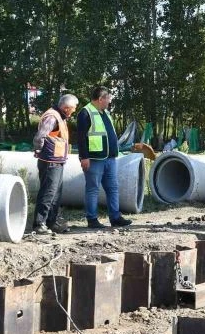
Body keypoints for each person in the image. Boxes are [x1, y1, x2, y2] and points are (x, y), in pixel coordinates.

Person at [76, 85, 132, 229]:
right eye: (108, 98)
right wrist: (84, 157)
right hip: (94, 159)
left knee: (113, 188)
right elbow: (81, 137)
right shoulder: (85, 113)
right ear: (100, 99)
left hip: (110, 158)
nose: (109, 101)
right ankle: (92, 219)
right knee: (92, 189)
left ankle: (115, 217)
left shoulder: (105, 113)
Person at [31, 94, 78, 235]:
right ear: (67, 107)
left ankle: (52, 222)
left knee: (56, 193)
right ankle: (39, 224)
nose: (74, 111)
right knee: (48, 192)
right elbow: (40, 136)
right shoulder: (52, 117)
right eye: (73, 108)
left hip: (56, 160)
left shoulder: (59, 116)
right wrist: (39, 150)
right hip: (50, 161)